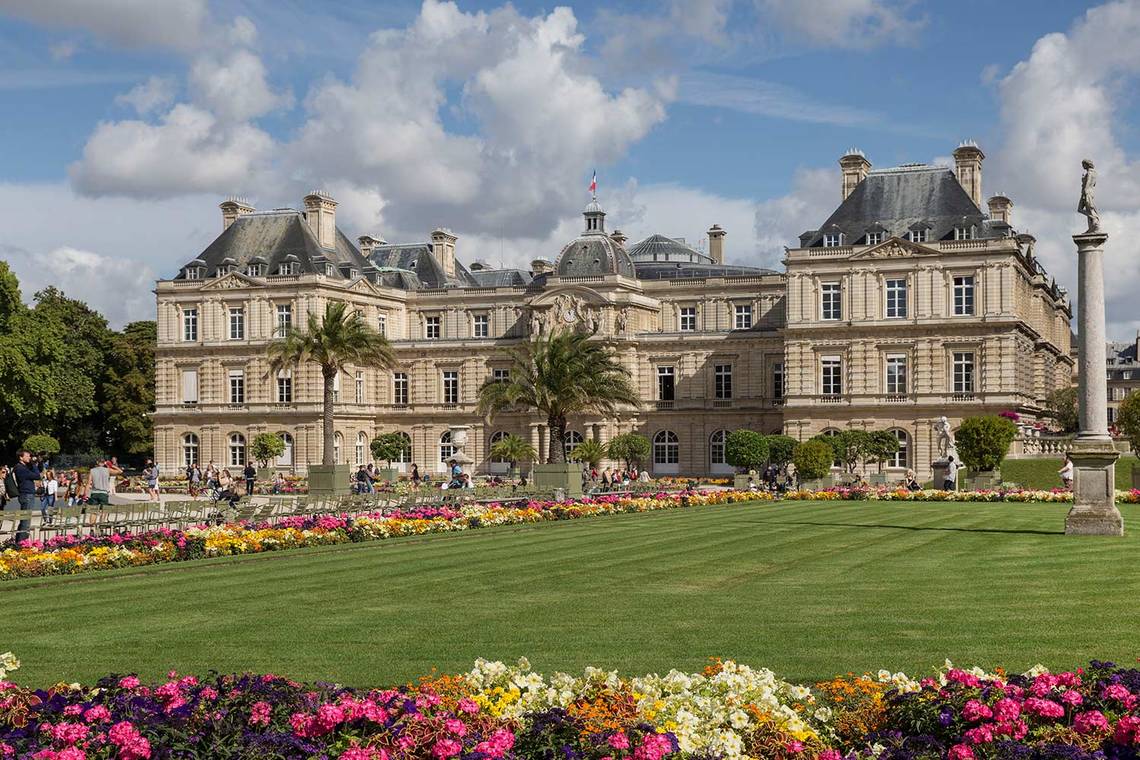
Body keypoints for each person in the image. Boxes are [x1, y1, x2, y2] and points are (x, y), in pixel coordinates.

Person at [12, 451, 41, 543]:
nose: (30, 457)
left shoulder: (24, 467)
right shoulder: (20, 468)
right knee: (26, 521)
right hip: (26, 495)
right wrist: (33, 464)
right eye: (27, 456)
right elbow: (37, 475)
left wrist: (35, 463)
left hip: (27, 495)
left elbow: (38, 471)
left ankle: (19, 542)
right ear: (21, 457)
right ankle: (23, 543)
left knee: (24, 520)